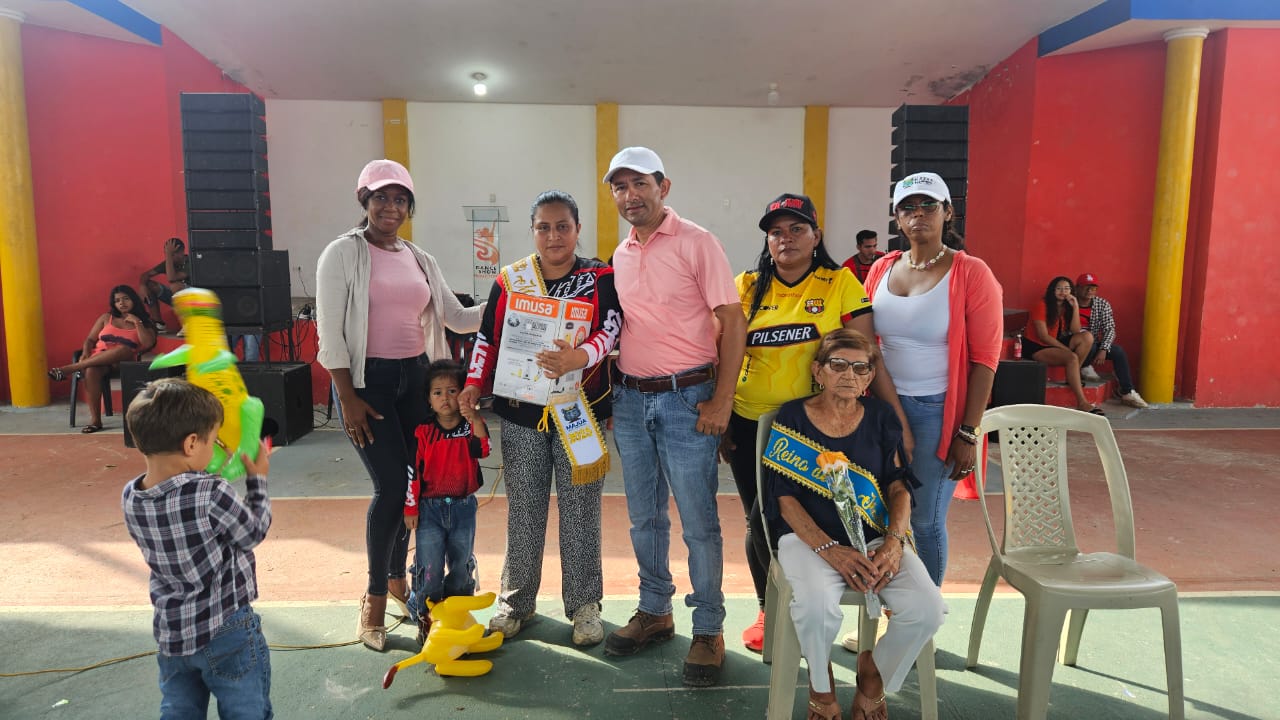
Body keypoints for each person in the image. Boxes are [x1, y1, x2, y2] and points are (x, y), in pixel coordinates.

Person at [722, 194, 911, 653]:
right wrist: (722, 413)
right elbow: (722, 354)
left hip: (817, 427)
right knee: (760, 521)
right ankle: (770, 607)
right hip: (751, 424)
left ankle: (860, 600)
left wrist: (898, 421)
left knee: (830, 512)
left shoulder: (839, 282)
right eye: (776, 231)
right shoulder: (746, 285)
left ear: (816, 236)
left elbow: (868, 358)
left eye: (796, 229)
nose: (785, 239)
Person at [315, 158, 484, 651]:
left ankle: (396, 580)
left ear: (410, 206)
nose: (391, 207)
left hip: (416, 380)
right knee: (391, 486)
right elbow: (330, 334)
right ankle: (373, 599)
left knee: (416, 483)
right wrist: (347, 396)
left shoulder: (419, 257)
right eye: (381, 198)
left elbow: (457, 318)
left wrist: (507, 298)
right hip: (366, 384)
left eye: (400, 199)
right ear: (364, 201)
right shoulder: (341, 254)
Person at [602, 146, 746, 687]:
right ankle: (655, 610)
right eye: (620, 187)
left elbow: (733, 320)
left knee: (699, 523)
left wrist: (723, 399)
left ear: (663, 186)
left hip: (688, 400)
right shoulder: (620, 253)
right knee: (645, 517)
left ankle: (708, 628)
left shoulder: (697, 242)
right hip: (631, 400)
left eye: (639, 183)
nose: (630, 195)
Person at [459, 190, 622, 647]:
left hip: (579, 413)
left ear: (577, 229)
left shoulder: (600, 277)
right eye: (544, 227)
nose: (554, 236)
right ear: (532, 231)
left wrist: (578, 356)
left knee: (581, 512)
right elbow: (487, 340)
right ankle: (516, 602)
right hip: (521, 414)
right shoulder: (511, 281)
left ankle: (585, 606)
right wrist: (473, 383)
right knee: (524, 510)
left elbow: (612, 329)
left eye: (563, 226)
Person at [761, 329, 944, 720]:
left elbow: (899, 486)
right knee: (815, 609)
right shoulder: (792, 415)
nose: (849, 374)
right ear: (818, 371)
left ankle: (873, 675)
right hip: (807, 540)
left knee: (928, 609)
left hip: (875, 537)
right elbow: (783, 498)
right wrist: (830, 550)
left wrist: (893, 543)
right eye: (838, 364)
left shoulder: (881, 416)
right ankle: (821, 685)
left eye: (860, 368)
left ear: (869, 377)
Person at [863, 171, 1003, 587]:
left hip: (936, 412)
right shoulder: (881, 268)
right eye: (908, 207)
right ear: (896, 218)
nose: (918, 214)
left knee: (923, 519)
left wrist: (968, 432)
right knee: (881, 515)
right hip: (880, 409)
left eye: (929, 205)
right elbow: (865, 342)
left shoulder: (971, 272)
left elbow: (985, 359)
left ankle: (924, 615)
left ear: (948, 212)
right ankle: (891, 608)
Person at [121, 378, 273, 719]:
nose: (218, 447)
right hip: (227, 629)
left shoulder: (131, 496)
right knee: (245, 710)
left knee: (179, 710)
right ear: (191, 443)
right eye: (214, 440)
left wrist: (212, 471)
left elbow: (184, 504)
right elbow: (252, 533)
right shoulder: (212, 492)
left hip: (172, 631)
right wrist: (258, 481)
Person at [404, 360, 489, 646]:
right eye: (437, 392)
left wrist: (475, 418)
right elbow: (413, 472)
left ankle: (458, 619)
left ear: (463, 394)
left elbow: (484, 450)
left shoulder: (470, 427)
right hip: (429, 510)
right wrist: (411, 508)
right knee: (429, 569)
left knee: (461, 565)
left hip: (464, 508)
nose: (445, 398)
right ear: (428, 399)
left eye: (452, 391)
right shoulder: (423, 432)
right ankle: (426, 619)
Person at [48, 285, 157, 433]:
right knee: (91, 371)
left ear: (134, 300)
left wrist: (137, 322)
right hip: (98, 359)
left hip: (122, 361)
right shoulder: (106, 318)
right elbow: (90, 340)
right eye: (117, 300)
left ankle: (70, 369)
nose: (122, 303)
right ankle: (96, 421)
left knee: (123, 349)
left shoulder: (144, 322)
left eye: (126, 299)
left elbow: (148, 343)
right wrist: (85, 352)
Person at [1022, 276, 1102, 415]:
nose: (1062, 292)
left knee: (1087, 337)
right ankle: (1082, 402)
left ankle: (1072, 376)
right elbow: (1043, 336)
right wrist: (1066, 350)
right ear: (1052, 290)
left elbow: (1076, 330)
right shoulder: (1041, 305)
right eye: (1058, 288)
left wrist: (1075, 306)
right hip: (1037, 346)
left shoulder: (1067, 306)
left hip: (1055, 341)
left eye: (1066, 288)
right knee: (1072, 358)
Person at [1074, 273, 1149, 408]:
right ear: (1077, 288)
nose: (1090, 291)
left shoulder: (1102, 304)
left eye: (1093, 288)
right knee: (1089, 341)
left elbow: (1109, 329)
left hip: (1092, 345)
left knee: (1117, 351)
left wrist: (1104, 349)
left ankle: (1127, 392)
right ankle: (1084, 366)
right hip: (1073, 345)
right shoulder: (1070, 303)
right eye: (1086, 287)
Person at [139, 237, 189, 332]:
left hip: (194, 300)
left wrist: (168, 255)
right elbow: (145, 275)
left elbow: (172, 278)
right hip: (177, 299)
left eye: (174, 254)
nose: (171, 257)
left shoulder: (190, 262)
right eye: (168, 254)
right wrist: (142, 286)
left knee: (175, 285)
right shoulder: (169, 263)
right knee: (148, 284)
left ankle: (187, 324)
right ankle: (158, 323)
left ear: (182, 252)